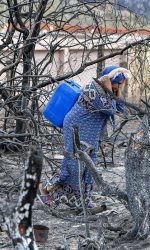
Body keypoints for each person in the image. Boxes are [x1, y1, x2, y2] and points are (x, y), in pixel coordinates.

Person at [39, 65, 131, 209]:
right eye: (118, 83)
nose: (119, 86)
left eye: (121, 84)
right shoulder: (93, 89)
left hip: (90, 132)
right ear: (109, 79)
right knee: (74, 163)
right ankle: (45, 188)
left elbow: (120, 108)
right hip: (76, 127)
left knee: (89, 165)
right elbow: (108, 109)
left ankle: (84, 200)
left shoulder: (106, 92)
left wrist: (115, 91)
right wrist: (108, 87)